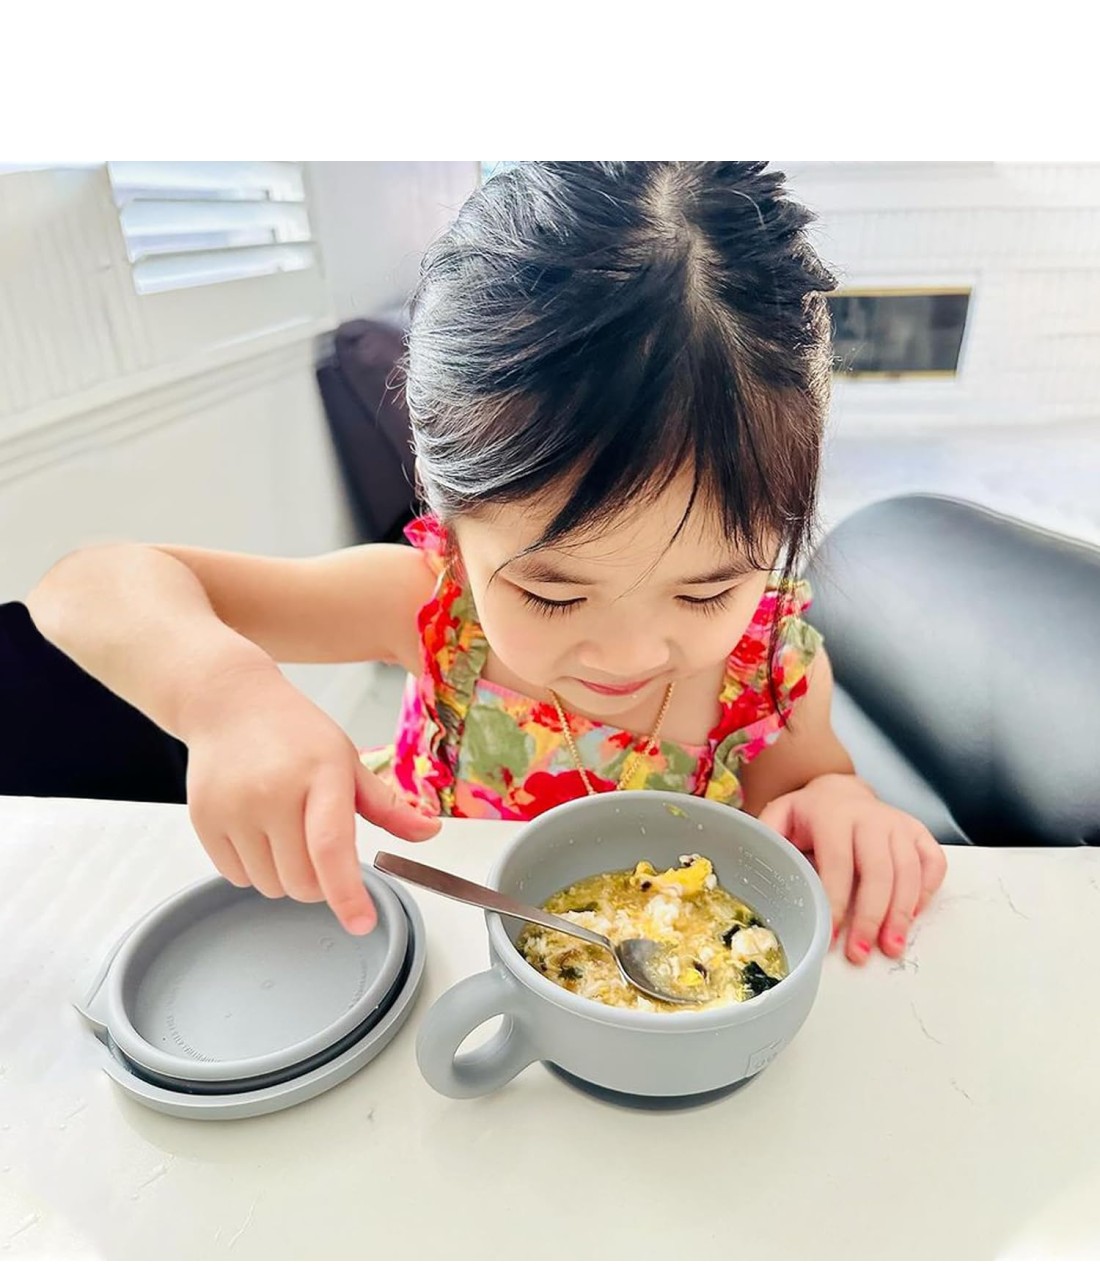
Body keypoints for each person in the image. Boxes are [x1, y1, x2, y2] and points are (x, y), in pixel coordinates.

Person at [27, 161, 946, 964]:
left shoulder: (768, 669)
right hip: (429, 948)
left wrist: (842, 807)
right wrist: (229, 702)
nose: (629, 653)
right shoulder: (433, 608)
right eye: (553, 593)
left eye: (707, 591)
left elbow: (809, 788)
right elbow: (83, 584)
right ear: (452, 520)